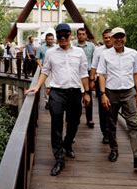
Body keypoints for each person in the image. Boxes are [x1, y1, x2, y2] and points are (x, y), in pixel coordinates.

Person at [25, 23, 91, 176]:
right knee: (56, 125)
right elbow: (45, 71)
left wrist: (87, 92)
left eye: (65, 35)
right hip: (57, 92)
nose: (62, 38)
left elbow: (84, 74)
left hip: (75, 91)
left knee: (74, 122)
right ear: (56, 37)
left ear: (70, 36)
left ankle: (67, 144)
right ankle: (59, 159)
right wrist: (37, 86)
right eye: (59, 36)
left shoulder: (79, 52)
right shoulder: (51, 53)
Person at [96, 27, 137, 168]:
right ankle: (114, 150)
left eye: (121, 37)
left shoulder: (133, 53)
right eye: (116, 37)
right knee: (111, 123)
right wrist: (102, 94)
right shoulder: (105, 54)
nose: (119, 39)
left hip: (128, 92)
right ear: (112, 38)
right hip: (111, 92)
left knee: (133, 124)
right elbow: (101, 74)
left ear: (125, 38)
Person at [89, 28, 113, 144]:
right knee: (103, 109)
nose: (108, 39)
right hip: (101, 81)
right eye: (106, 37)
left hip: (115, 83)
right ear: (103, 38)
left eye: (109, 37)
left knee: (113, 108)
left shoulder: (117, 49)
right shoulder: (98, 50)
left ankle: (112, 131)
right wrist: (92, 80)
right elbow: (94, 66)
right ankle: (105, 133)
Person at [74, 27, 96, 128]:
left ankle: (89, 119)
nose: (81, 36)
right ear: (77, 35)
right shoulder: (73, 45)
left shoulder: (92, 46)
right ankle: (75, 119)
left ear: (86, 35)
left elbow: (95, 62)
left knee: (88, 95)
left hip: (87, 73)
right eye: (80, 34)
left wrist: (93, 77)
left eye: (83, 34)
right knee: (76, 96)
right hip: (75, 73)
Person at [36, 33, 56, 109]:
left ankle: (54, 101)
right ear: (46, 40)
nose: (51, 40)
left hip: (55, 69)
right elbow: (37, 58)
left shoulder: (56, 47)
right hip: (46, 70)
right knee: (48, 87)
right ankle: (47, 102)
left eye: (52, 39)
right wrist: (41, 67)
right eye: (49, 39)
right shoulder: (41, 48)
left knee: (54, 86)